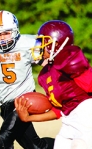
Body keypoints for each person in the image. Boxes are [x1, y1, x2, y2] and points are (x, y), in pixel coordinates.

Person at [0, 10, 54, 149]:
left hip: (24, 100)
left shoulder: (28, 43)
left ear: (15, 31)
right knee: (36, 146)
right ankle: (66, 144)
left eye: (6, 33)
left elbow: (48, 63)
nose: (2, 38)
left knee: (4, 139)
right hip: (5, 103)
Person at [16, 20, 92, 149]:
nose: (39, 46)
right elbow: (58, 111)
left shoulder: (69, 58)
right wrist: (28, 118)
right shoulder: (45, 74)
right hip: (68, 121)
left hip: (87, 115)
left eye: (43, 42)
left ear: (56, 44)